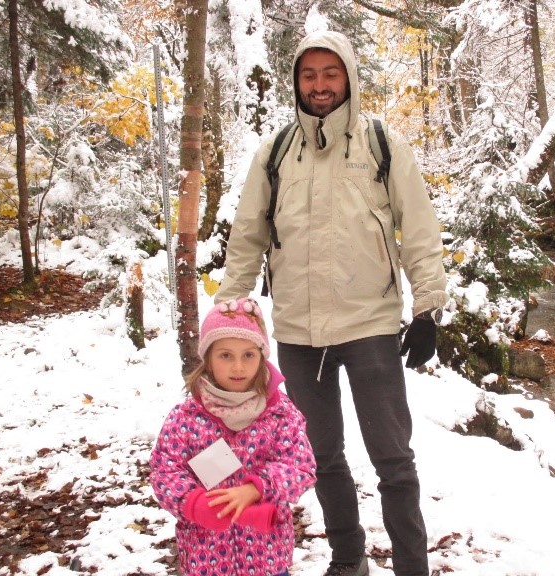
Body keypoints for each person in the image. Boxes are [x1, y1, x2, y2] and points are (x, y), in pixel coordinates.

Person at [216, 30, 448, 576]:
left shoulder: (380, 144)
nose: (319, 86)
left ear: (348, 78)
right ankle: (348, 560)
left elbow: (418, 229)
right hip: (298, 332)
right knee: (321, 457)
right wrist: (229, 311)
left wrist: (427, 308)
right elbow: (248, 235)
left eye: (330, 74)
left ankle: (412, 567)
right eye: (309, 75)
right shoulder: (274, 152)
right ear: (297, 82)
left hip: (369, 325)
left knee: (393, 459)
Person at [149, 297, 316, 576]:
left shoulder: (280, 413)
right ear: (208, 360)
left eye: (248, 355)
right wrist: (193, 503)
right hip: (205, 555)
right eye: (225, 355)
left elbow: (300, 466)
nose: (238, 367)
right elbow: (164, 471)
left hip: (267, 555)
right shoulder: (186, 418)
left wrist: (257, 488)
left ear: (261, 357)